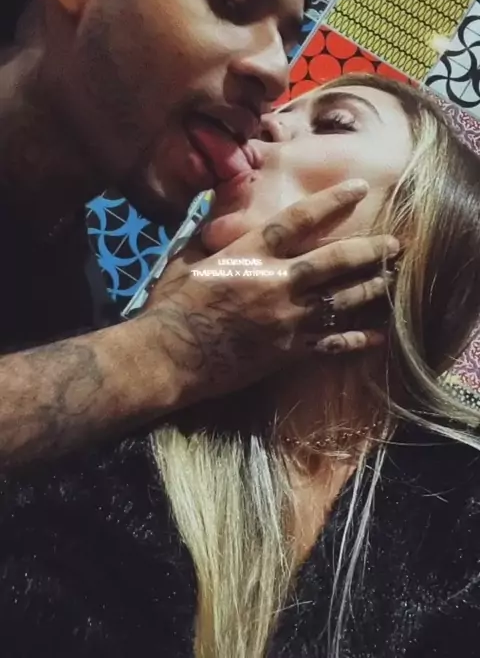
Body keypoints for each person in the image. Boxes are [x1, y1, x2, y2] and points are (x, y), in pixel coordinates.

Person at [1, 73, 479, 657]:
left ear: (421, 230)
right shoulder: (94, 403)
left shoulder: (459, 507)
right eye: (282, 110)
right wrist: (164, 346)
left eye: (334, 123)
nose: (267, 122)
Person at [0, 0, 396, 467]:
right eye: (229, 0)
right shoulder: (144, 346)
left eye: (285, 42)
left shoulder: (69, 300)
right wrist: (171, 350)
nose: (277, 77)